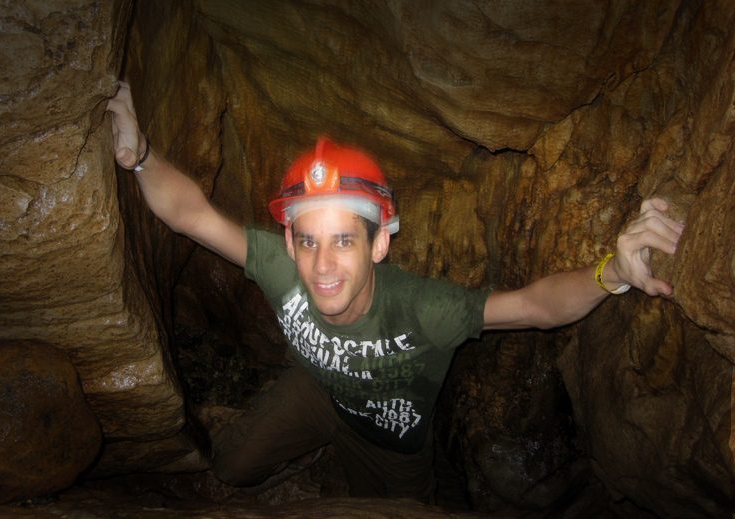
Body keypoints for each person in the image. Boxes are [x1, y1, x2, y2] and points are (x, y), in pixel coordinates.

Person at [106, 81, 684, 500]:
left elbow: (534, 306)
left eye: (343, 241)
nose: (322, 265)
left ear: (379, 244)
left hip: (390, 442)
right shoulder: (281, 268)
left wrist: (612, 273)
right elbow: (192, 215)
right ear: (289, 243)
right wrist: (139, 156)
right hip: (317, 391)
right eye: (308, 241)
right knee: (230, 467)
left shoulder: (423, 311)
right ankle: (308, 449)